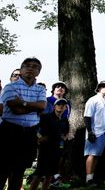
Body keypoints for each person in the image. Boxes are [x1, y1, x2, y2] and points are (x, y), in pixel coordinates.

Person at [0, 58, 47, 190]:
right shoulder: (10, 87)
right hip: (10, 131)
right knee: (3, 168)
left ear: (38, 72)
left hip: (29, 133)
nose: (30, 69)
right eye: (27, 66)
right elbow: (15, 109)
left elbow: (42, 106)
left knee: (19, 170)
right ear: (21, 70)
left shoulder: (40, 89)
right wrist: (34, 107)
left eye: (35, 67)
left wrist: (23, 103)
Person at [30, 98, 70, 190]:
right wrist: (39, 138)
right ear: (54, 106)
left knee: (50, 174)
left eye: (63, 105)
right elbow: (34, 128)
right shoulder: (46, 117)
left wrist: (64, 139)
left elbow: (66, 133)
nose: (61, 106)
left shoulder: (65, 120)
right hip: (45, 149)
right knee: (39, 173)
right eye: (59, 104)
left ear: (66, 108)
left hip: (58, 149)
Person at [83, 80, 105, 186]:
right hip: (95, 131)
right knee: (91, 154)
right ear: (99, 88)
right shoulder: (93, 100)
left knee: (97, 156)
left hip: (104, 132)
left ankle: (92, 177)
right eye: (103, 86)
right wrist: (90, 131)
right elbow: (87, 116)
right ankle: (88, 179)